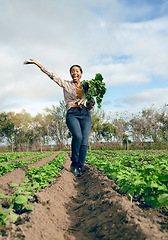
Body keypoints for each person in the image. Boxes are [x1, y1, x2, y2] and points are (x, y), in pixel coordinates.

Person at [24, 59, 94, 177]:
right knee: (78, 136)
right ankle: (74, 163)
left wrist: (91, 103)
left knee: (84, 142)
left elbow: (91, 104)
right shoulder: (66, 84)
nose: (74, 73)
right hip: (72, 113)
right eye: (72, 71)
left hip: (85, 114)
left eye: (77, 71)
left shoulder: (87, 87)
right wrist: (37, 64)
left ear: (81, 74)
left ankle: (80, 166)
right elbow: (53, 75)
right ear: (70, 74)